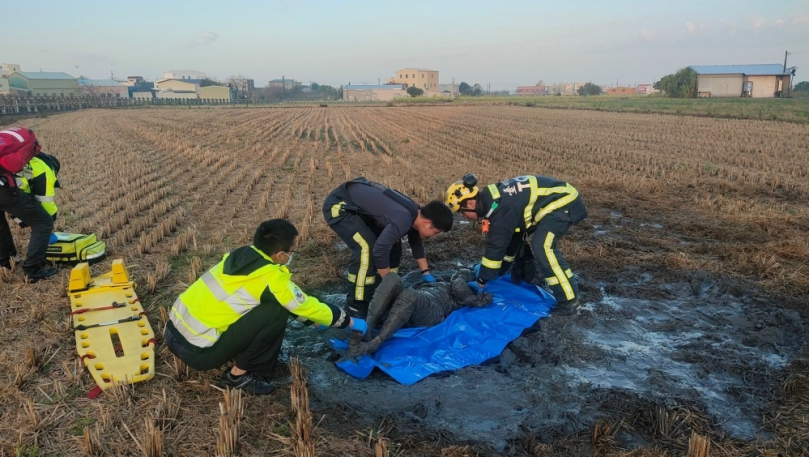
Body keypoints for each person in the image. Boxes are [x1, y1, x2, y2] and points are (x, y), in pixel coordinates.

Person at [164, 219, 368, 395]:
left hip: (173, 334)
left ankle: (237, 354)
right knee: (275, 310)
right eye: (291, 251)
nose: (292, 254)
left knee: (273, 304)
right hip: (198, 354)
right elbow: (303, 305)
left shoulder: (240, 258)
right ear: (279, 255)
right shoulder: (270, 279)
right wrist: (348, 321)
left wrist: (316, 325)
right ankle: (238, 377)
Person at [446, 174, 587, 315]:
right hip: (555, 201)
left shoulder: (500, 208)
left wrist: (482, 280)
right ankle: (525, 274)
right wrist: (500, 269)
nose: (463, 216)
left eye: (461, 212)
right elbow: (510, 240)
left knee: (543, 246)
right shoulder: (493, 201)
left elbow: (496, 247)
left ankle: (569, 302)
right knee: (516, 236)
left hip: (563, 202)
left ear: (470, 203)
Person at [323, 177, 454, 319]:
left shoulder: (415, 214)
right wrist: (389, 282)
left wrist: (425, 272)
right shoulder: (403, 218)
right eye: (435, 232)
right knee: (367, 247)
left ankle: (380, 296)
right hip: (340, 206)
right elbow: (379, 251)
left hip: (359, 210)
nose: (434, 236)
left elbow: (416, 243)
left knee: (394, 246)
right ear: (427, 223)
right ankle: (356, 305)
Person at [347, 270, 492, 358]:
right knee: (392, 277)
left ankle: (376, 342)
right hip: (419, 300)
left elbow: (461, 289)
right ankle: (368, 327)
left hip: (434, 310)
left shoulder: (466, 283)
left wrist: (466, 281)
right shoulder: (445, 281)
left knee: (411, 295)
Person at [0, 128, 57, 282]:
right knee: (44, 223)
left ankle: (5, 262)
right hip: (2, 189)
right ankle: (33, 269)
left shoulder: (17, 156)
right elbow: (44, 200)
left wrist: (22, 220)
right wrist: (47, 220)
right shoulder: (42, 167)